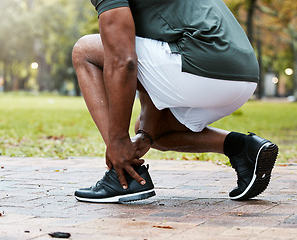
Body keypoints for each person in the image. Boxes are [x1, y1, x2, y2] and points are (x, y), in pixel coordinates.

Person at [72, 0, 278, 203]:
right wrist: (145, 134)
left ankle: (122, 173)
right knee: (154, 132)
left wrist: (118, 142)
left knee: (85, 51)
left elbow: (123, 61)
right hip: (243, 75)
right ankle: (242, 148)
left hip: (203, 62)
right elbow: (150, 42)